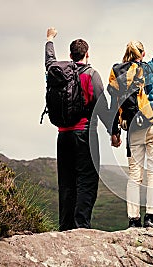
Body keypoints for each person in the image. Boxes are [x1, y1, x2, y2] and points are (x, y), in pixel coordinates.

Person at [108, 15, 153, 228]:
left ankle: (133, 221)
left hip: (133, 128)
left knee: (134, 175)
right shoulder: (149, 69)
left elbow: (114, 105)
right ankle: (151, 219)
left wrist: (115, 133)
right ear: (143, 54)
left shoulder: (117, 75)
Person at [45, 27, 111, 231]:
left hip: (62, 136)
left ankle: (65, 227)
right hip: (85, 135)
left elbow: (48, 60)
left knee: (66, 183)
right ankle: (81, 226)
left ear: (70, 55)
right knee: (87, 181)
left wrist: (49, 39)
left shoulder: (57, 72)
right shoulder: (91, 74)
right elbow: (101, 105)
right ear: (87, 54)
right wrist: (113, 131)